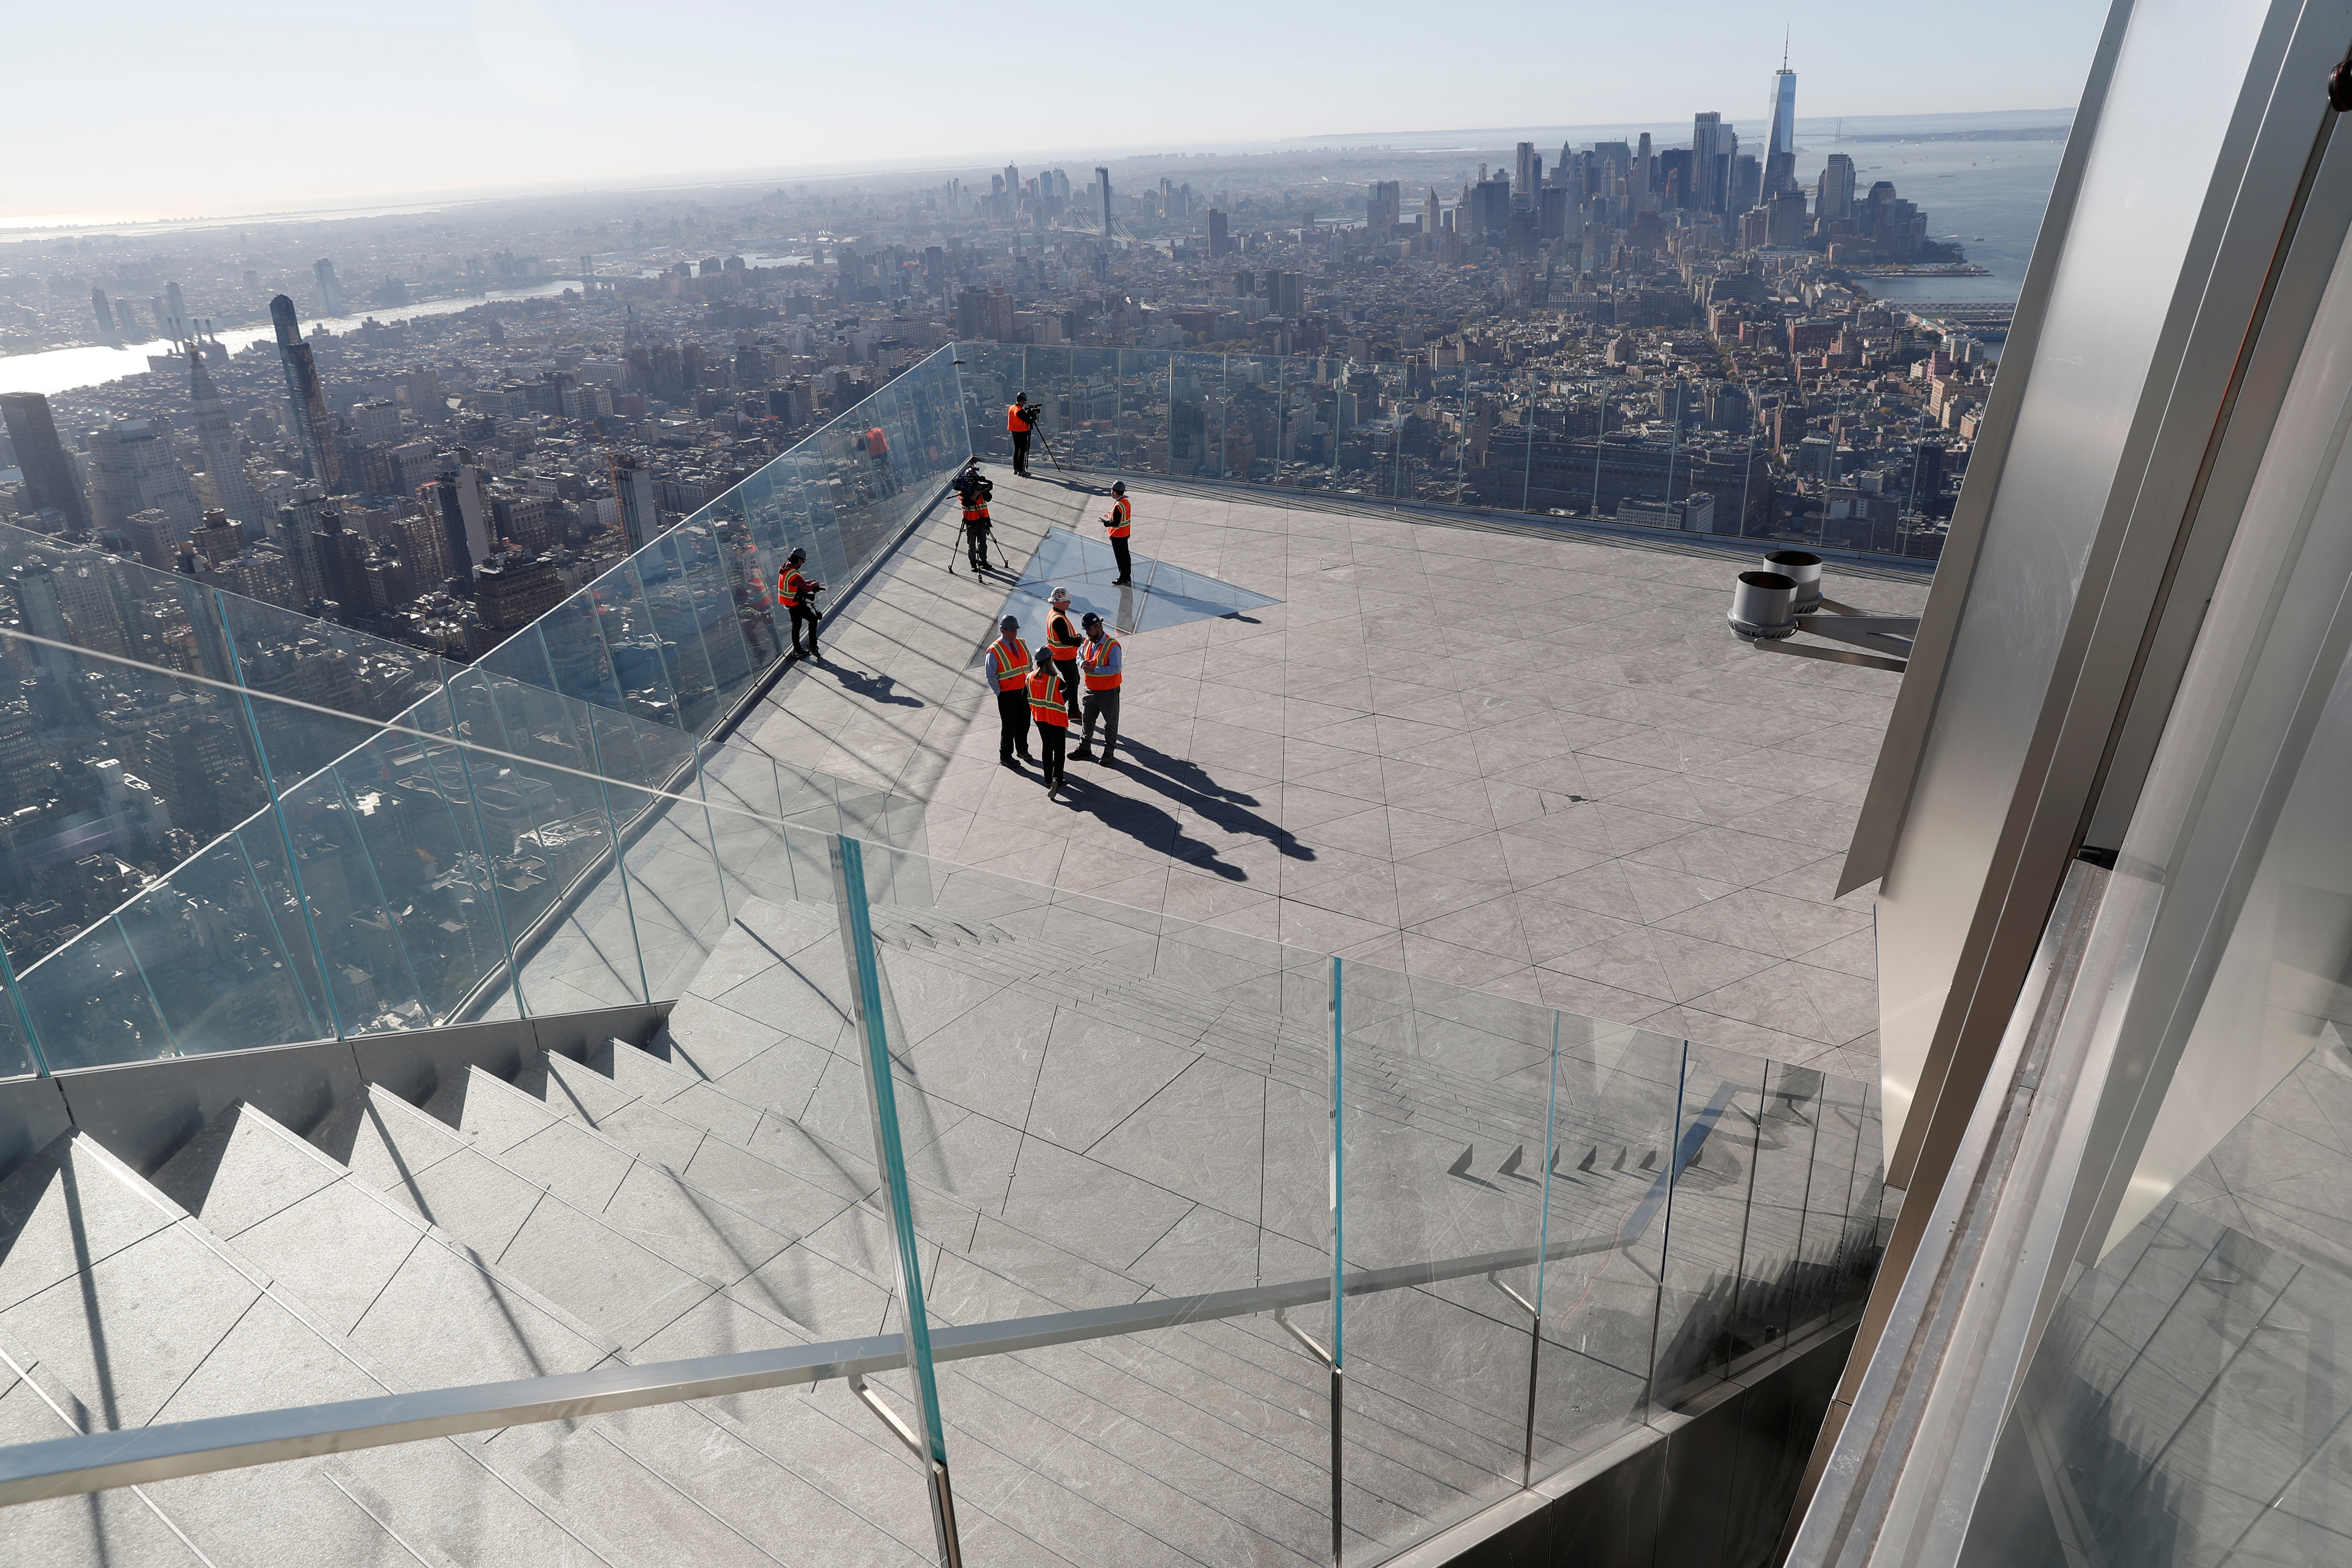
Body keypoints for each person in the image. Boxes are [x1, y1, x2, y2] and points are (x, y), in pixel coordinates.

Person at [1072, 612, 1122, 765]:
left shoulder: (1112, 645)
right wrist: (1082, 664)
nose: (1087, 633)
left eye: (1090, 630)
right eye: (1086, 630)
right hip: (1090, 690)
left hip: (1108, 691)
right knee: (1087, 720)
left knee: (1111, 723)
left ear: (1098, 627)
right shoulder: (1088, 642)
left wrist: (1095, 670)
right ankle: (1085, 747)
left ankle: (1109, 752)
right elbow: (1078, 655)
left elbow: (1116, 668)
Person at [986, 616, 1034, 769]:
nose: (1014, 633)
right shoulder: (995, 650)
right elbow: (991, 674)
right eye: (1011, 630)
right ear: (1003, 630)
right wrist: (999, 693)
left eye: (1016, 630)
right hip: (1007, 694)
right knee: (1009, 726)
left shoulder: (1021, 643)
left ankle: (1022, 750)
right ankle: (1006, 756)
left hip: (1024, 691)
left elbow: (1029, 664)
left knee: (1024, 723)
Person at [1027, 646, 1069, 794]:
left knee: (1047, 747)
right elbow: (1068, 688)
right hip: (1054, 720)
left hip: (1039, 719)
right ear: (1050, 661)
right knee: (1059, 751)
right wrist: (1060, 700)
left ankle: (1047, 780)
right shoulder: (1054, 680)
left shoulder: (1029, 677)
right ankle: (1057, 778)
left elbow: (1025, 697)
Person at [778, 547, 824, 661]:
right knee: (813, 620)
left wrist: (809, 583)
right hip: (795, 603)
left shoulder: (786, 568)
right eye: (803, 561)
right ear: (799, 560)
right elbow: (807, 589)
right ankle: (813, 645)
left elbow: (796, 584)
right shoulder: (794, 573)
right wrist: (813, 585)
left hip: (788, 603)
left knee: (796, 626)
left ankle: (797, 650)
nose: (802, 564)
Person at [1044, 586, 1083, 710]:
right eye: (1067, 601)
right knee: (1072, 685)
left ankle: (1074, 709)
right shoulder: (1059, 619)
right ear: (1059, 603)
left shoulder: (1054, 614)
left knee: (1074, 682)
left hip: (1061, 656)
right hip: (1064, 657)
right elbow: (1065, 640)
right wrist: (1079, 641)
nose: (1069, 603)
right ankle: (1054, 707)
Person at [953, 463, 994, 574]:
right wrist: (976, 494)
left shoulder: (978, 488)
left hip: (982, 519)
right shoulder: (963, 492)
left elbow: (989, 498)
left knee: (983, 542)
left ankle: (983, 561)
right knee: (972, 544)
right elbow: (967, 503)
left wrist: (984, 491)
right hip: (971, 521)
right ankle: (973, 563)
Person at [1099, 481, 1133, 585]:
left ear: (1115, 492)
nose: (1111, 492)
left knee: (1120, 557)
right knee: (1126, 555)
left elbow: (1116, 522)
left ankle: (1123, 577)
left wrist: (1106, 523)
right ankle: (1127, 576)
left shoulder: (1118, 505)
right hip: (1125, 533)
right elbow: (1123, 518)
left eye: (1112, 490)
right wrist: (1110, 516)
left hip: (1118, 534)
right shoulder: (1126, 502)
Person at [1007, 392, 1037, 477]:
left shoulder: (1011, 408)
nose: (1025, 404)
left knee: (1017, 450)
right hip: (1021, 432)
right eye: (1024, 402)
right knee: (1022, 451)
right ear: (1023, 400)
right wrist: (1035, 416)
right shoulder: (1020, 411)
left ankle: (1016, 469)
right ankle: (1021, 470)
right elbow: (1029, 421)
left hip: (1014, 432)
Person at [866, 425, 896, 495]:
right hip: (884, 451)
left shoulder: (868, 434)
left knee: (880, 471)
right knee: (889, 468)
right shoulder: (879, 430)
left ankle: (887, 487)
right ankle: (893, 485)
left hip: (874, 454)